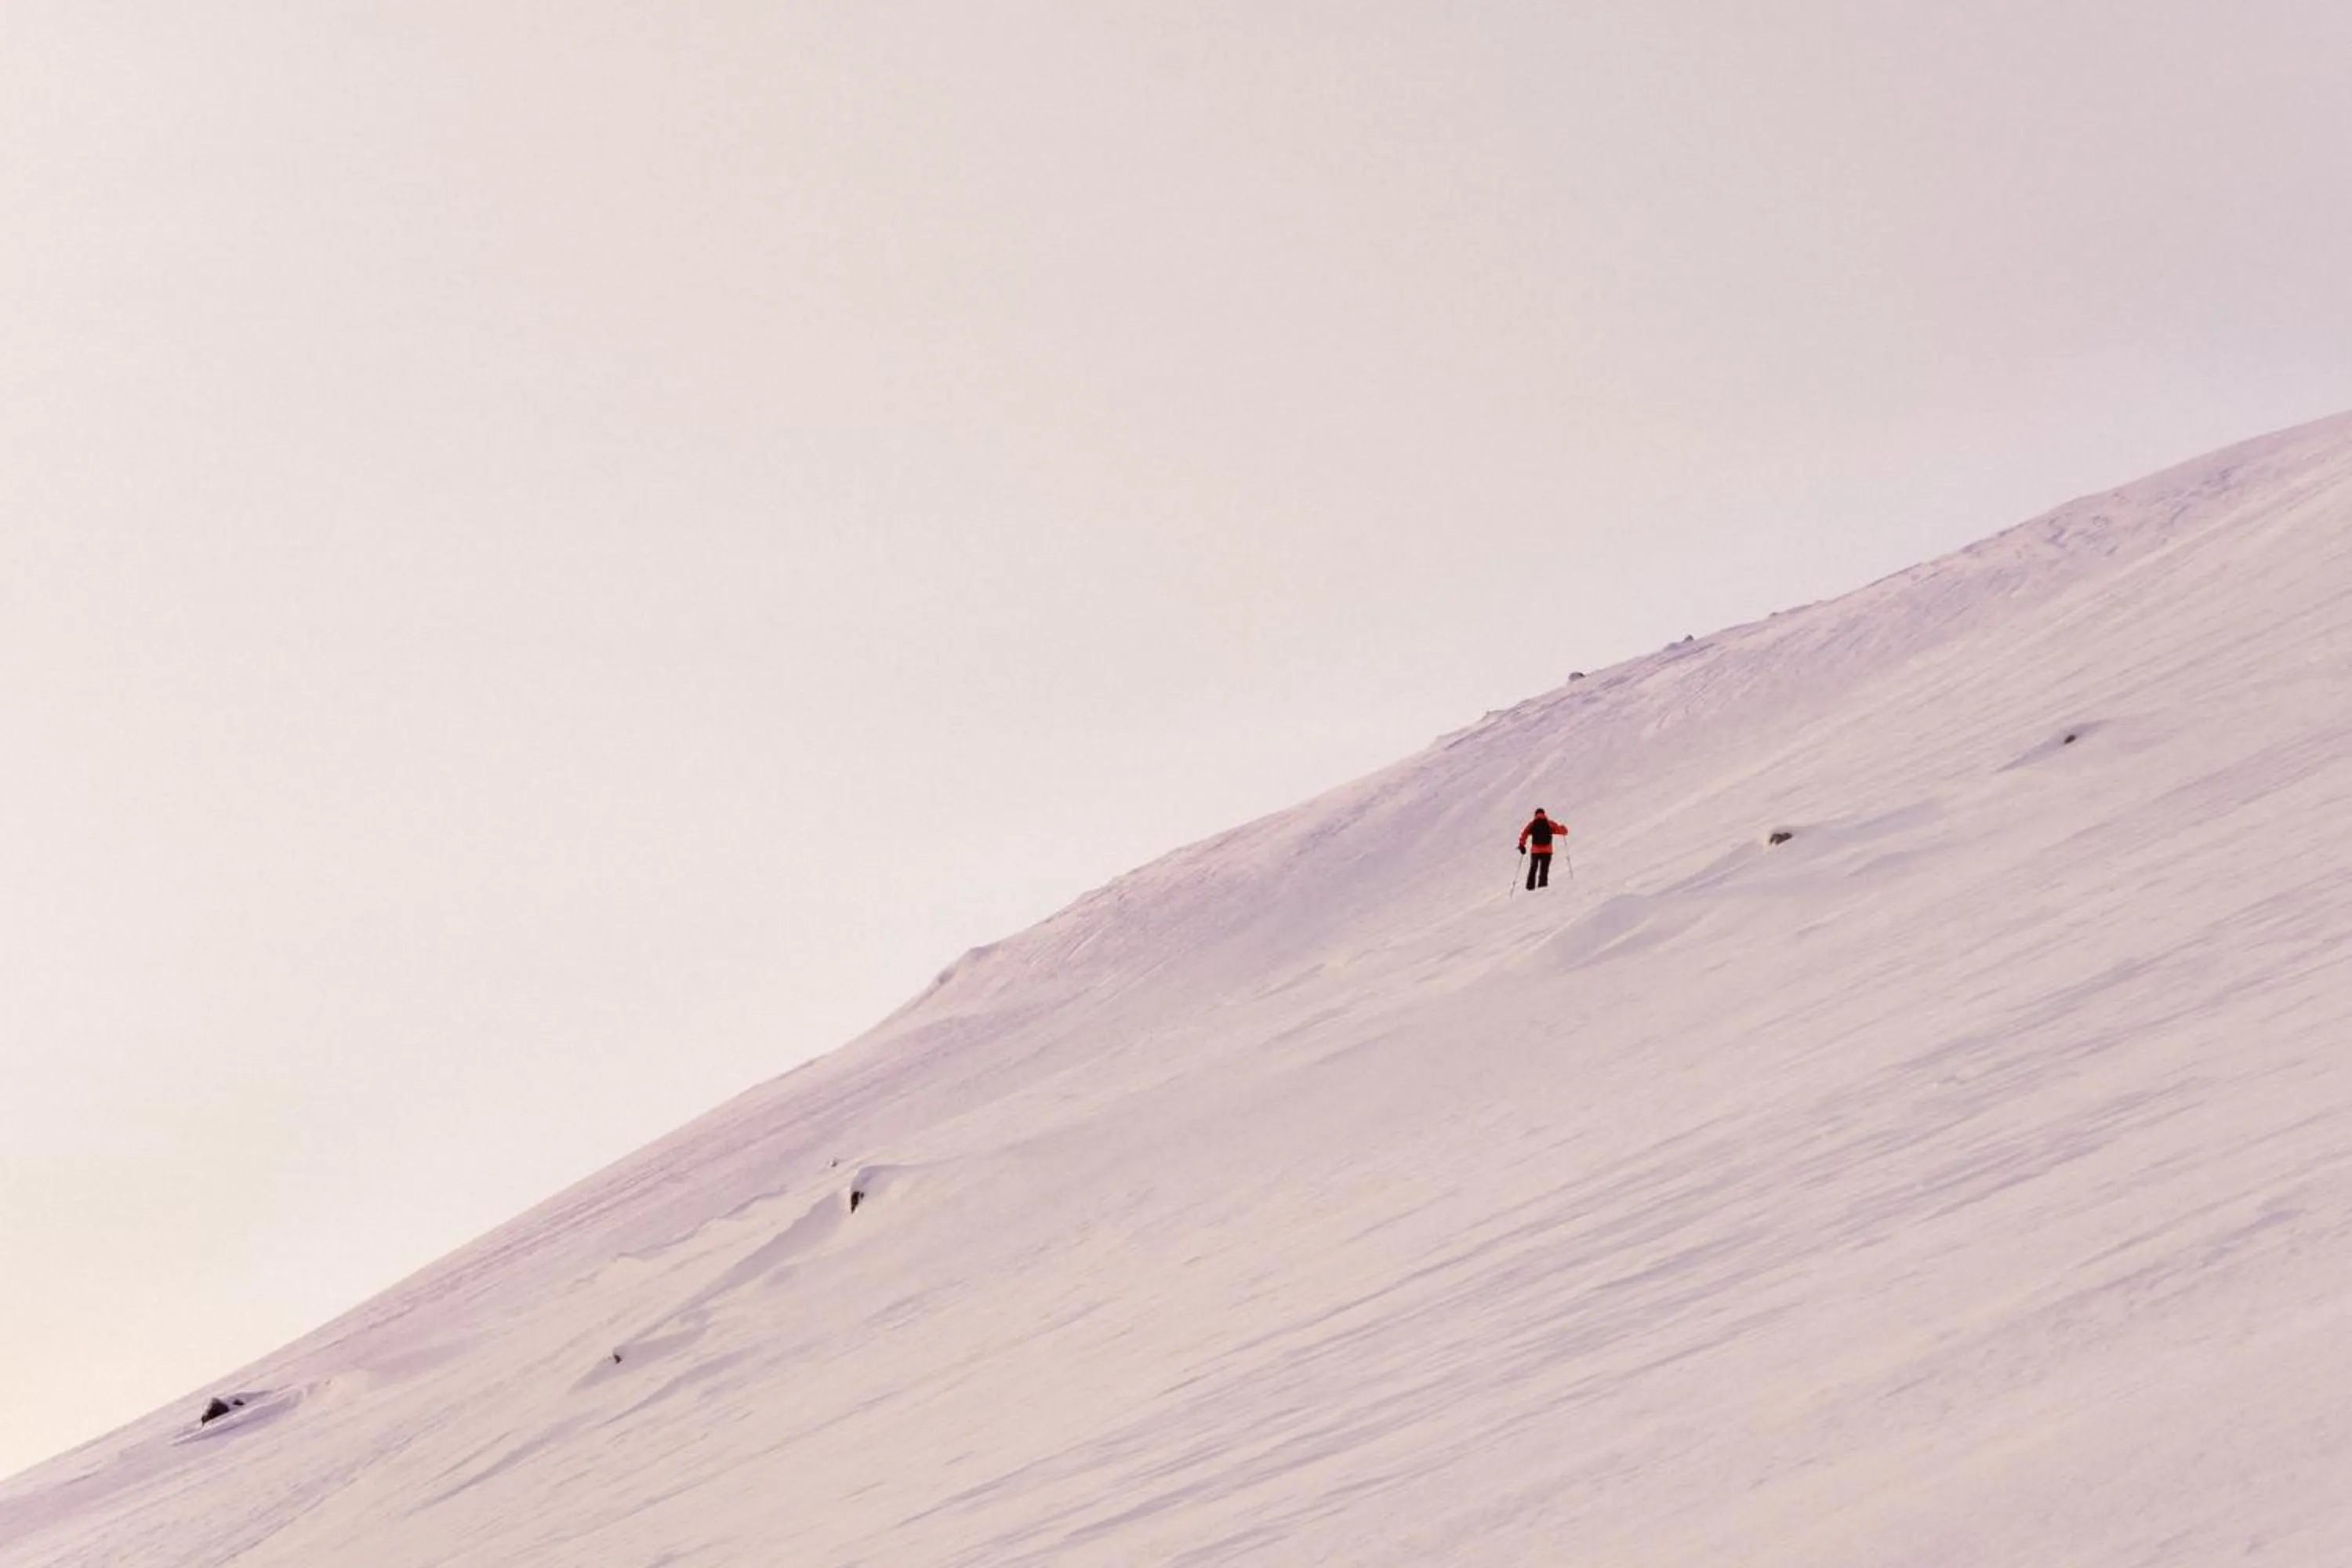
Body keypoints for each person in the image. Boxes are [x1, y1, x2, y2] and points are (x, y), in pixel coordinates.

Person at [1517, 808, 1568, 890]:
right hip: (1547, 851)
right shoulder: (1549, 823)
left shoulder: (1532, 824)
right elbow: (1562, 832)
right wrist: (1563, 828)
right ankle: (1542, 888)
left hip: (1535, 851)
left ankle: (1530, 888)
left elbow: (1525, 833)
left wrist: (1522, 845)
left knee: (1533, 868)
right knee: (1544, 870)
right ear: (1544, 814)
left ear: (1535, 814)